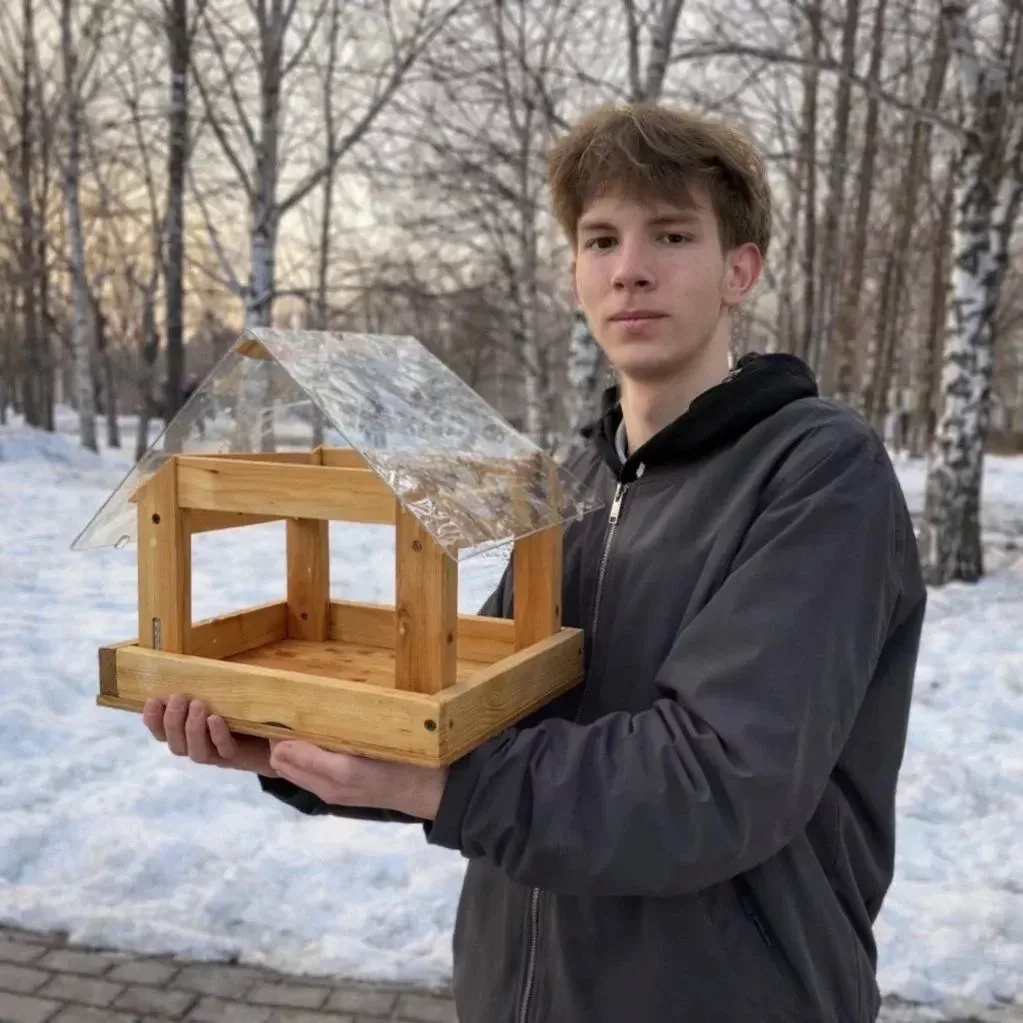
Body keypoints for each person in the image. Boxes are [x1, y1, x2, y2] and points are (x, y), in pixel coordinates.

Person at [143, 102, 927, 1023]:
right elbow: (470, 722)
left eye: (671, 234)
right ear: (575, 276)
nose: (629, 268)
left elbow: (717, 779)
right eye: (601, 240)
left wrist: (441, 782)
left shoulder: (816, 471)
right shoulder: (572, 483)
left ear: (738, 271)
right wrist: (286, 739)